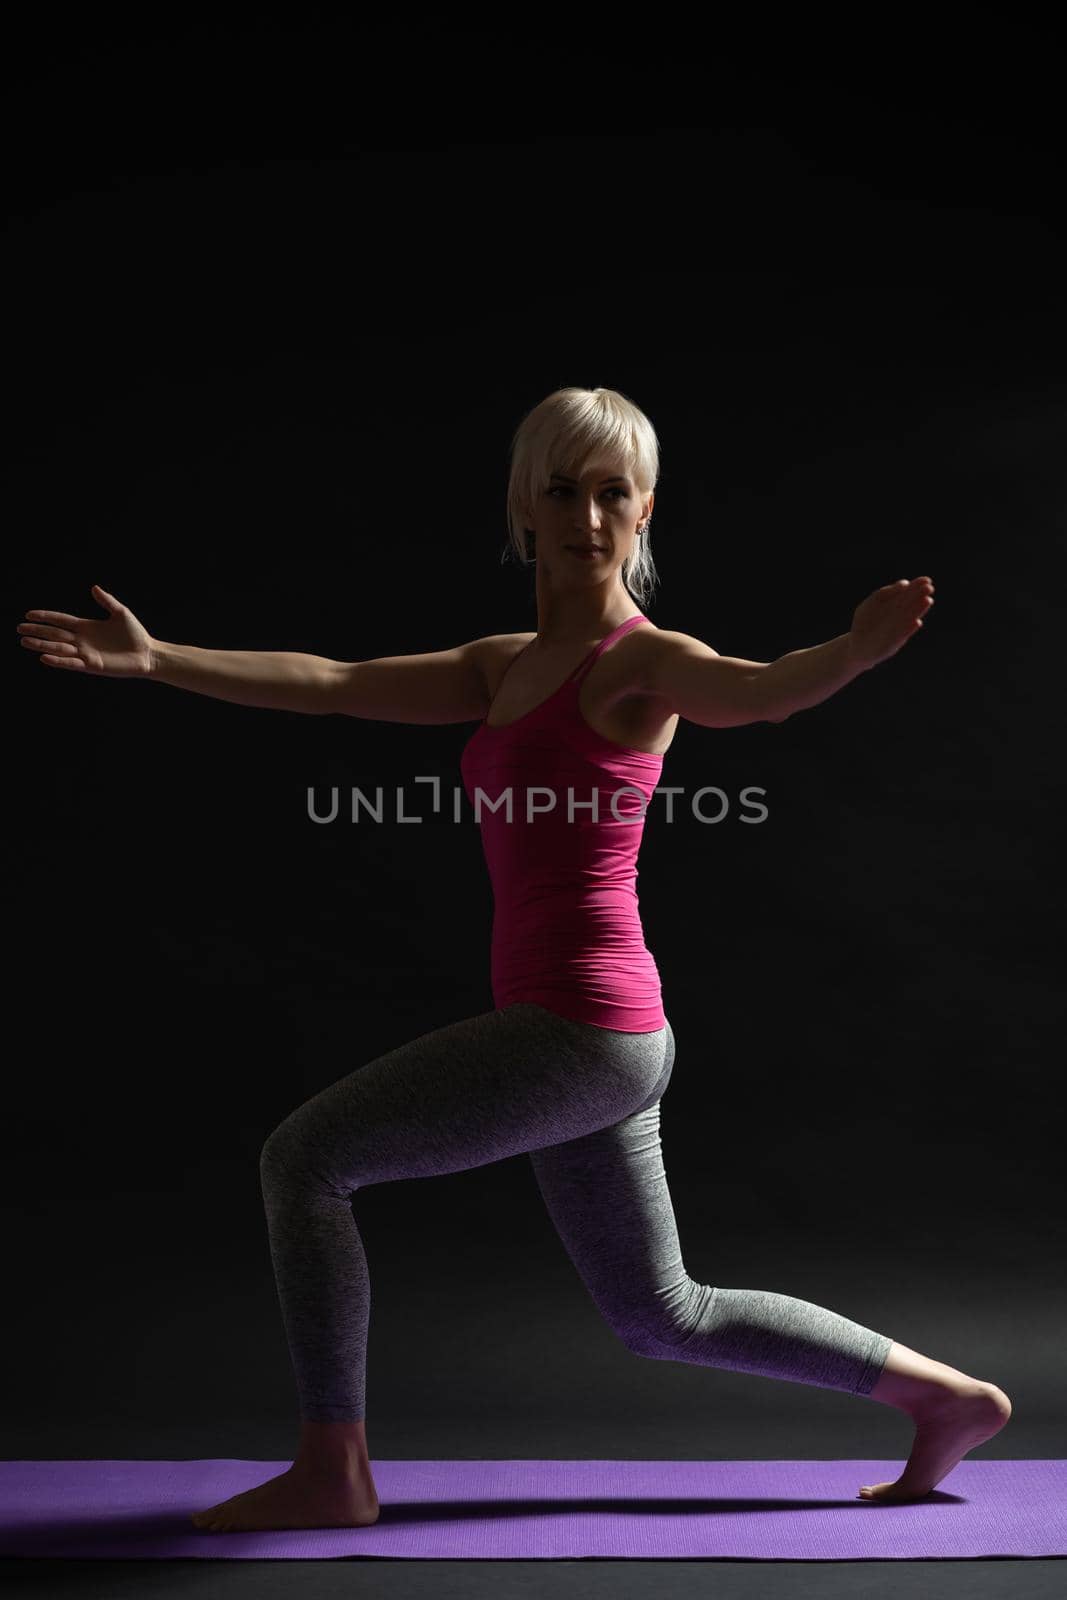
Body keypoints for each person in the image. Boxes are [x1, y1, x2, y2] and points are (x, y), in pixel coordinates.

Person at [18, 385, 1010, 1533]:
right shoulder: (504, 665)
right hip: (604, 1037)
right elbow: (333, 682)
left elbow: (761, 691)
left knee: (305, 1160)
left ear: (642, 514)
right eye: (560, 489)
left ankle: (333, 1468)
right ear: (522, 508)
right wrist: (157, 662)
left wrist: (846, 650)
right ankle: (946, 1398)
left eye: (612, 492)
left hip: (579, 1029)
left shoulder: (644, 664)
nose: (586, 514)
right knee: (659, 1314)